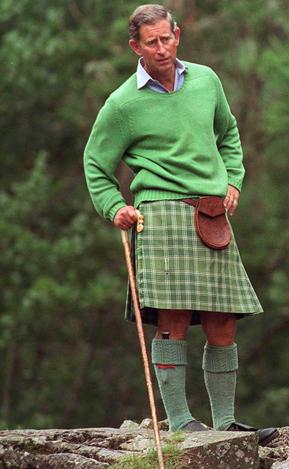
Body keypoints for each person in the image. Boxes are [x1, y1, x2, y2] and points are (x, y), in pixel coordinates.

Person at [83, 4, 277, 445]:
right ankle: (179, 421)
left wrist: (233, 182)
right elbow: (96, 162)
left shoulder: (207, 80)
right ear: (136, 46)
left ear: (178, 35)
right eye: (151, 42)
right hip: (161, 211)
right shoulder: (123, 103)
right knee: (171, 320)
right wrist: (115, 206)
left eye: (166, 38)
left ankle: (225, 423)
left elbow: (228, 135)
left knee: (223, 320)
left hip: (211, 211)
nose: (161, 48)